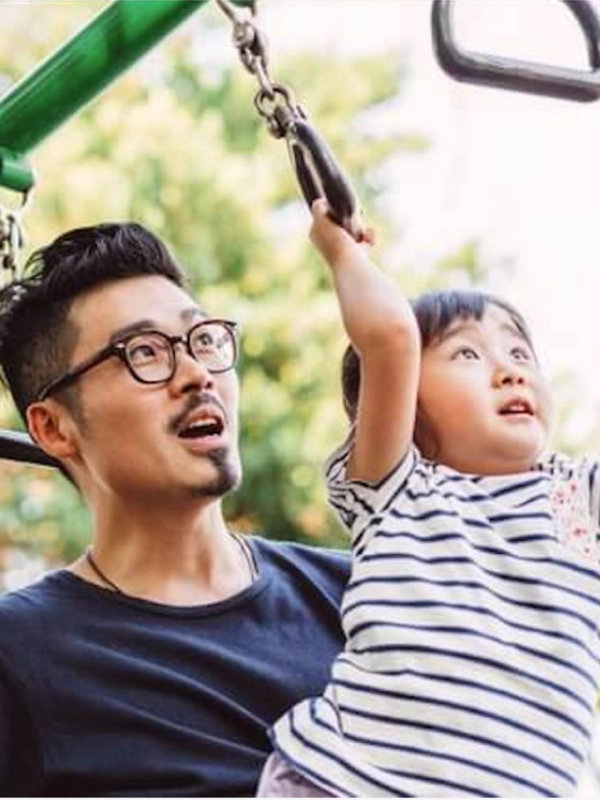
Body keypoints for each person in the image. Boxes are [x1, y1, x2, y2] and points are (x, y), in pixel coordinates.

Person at [259, 200, 600, 797]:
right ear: (405, 401)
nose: (510, 371)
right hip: (349, 782)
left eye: (521, 354)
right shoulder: (399, 489)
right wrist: (344, 250)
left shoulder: (572, 498)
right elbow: (389, 338)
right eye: (468, 354)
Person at [0, 221, 350, 797]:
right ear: (54, 428)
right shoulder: (19, 657)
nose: (196, 374)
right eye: (143, 352)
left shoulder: (359, 599)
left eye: (203, 340)